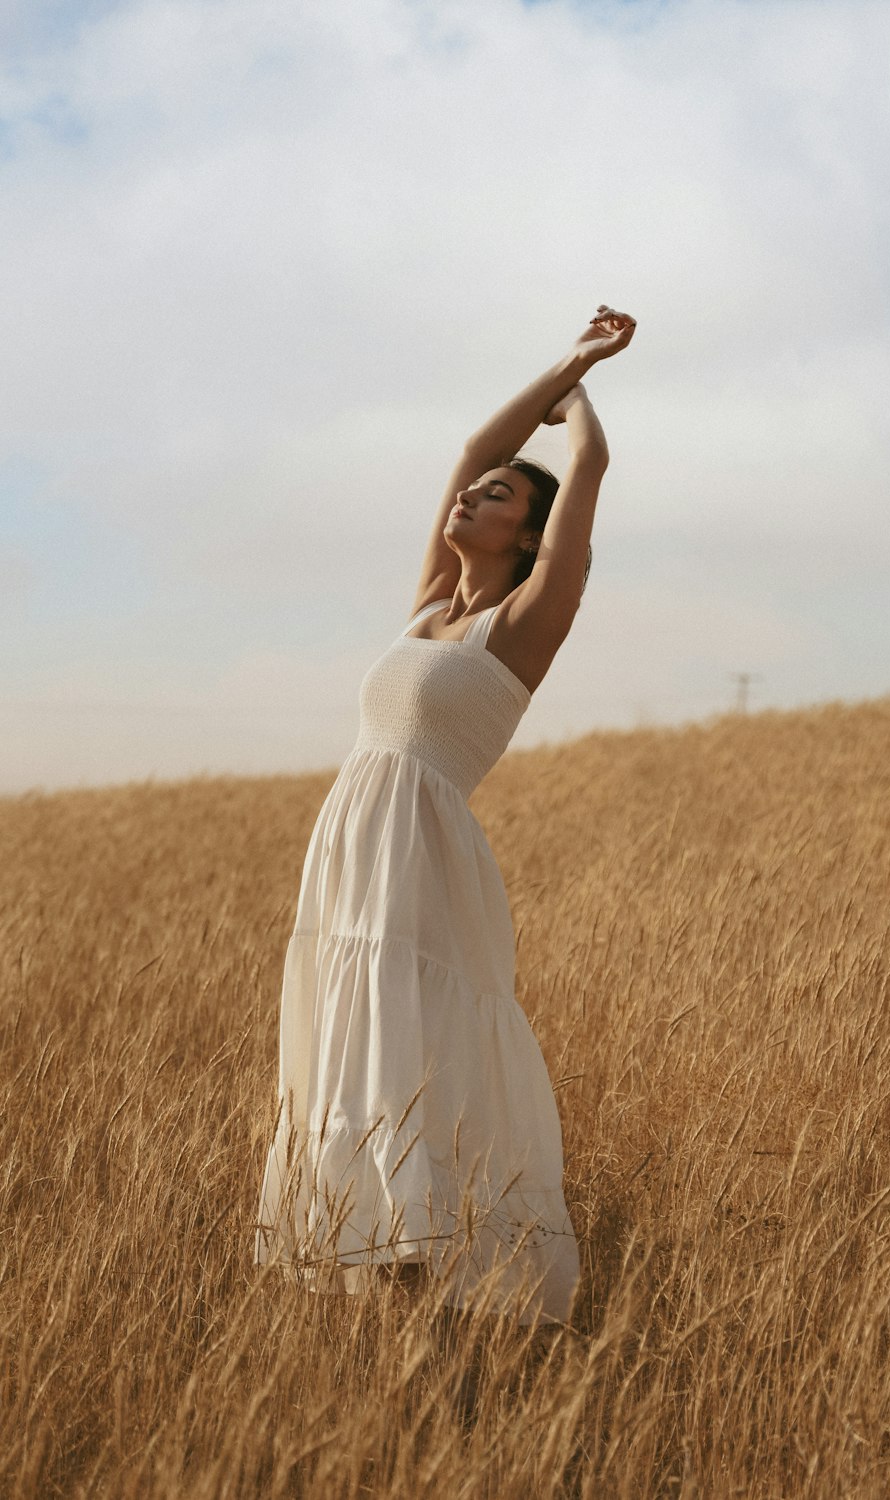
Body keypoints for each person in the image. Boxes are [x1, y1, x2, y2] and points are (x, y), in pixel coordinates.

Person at [255, 306, 637, 1325]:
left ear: (527, 533)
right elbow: (475, 445)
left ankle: (435, 1291)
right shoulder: (431, 605)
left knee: (411, 1054)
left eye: (498, 496)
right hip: (350, 850)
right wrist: (553, 365)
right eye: (474, 492)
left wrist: (585, 384)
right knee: (354, 1045)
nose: (471, 493)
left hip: (422, 862)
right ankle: (384, 1299)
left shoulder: (523, 624)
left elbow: (586, 474)